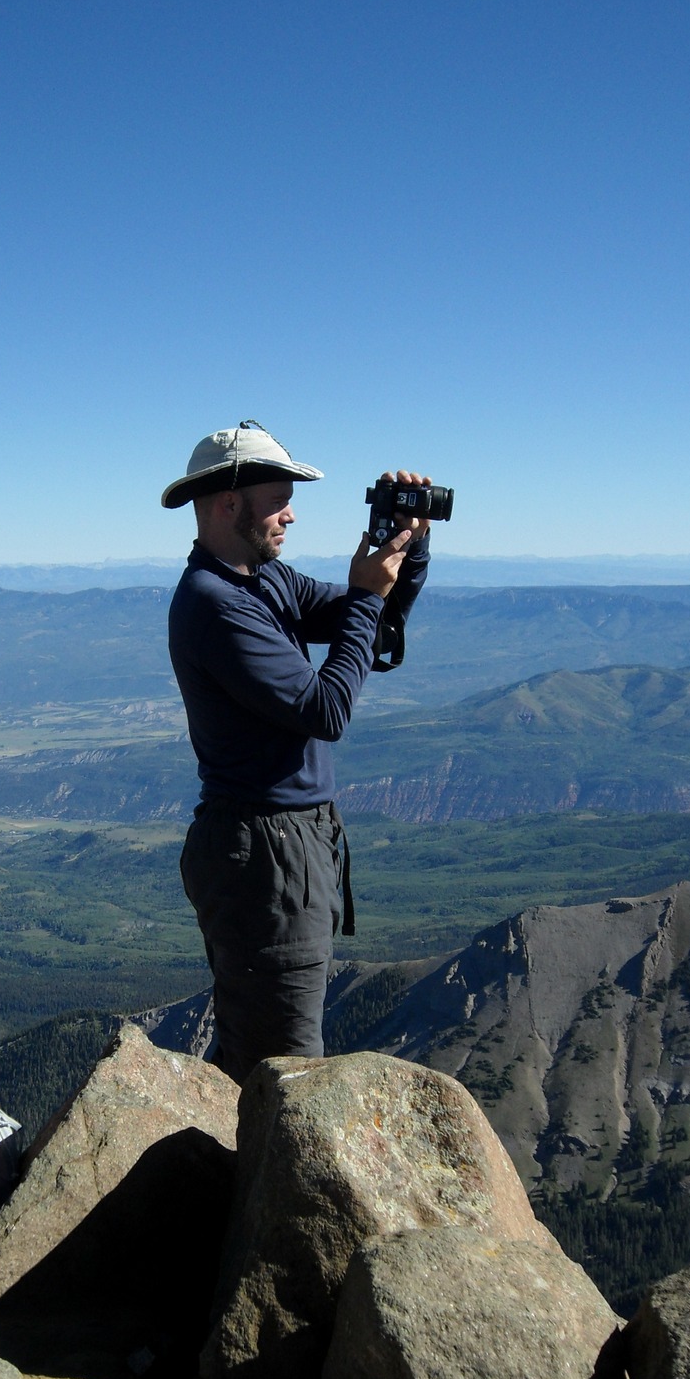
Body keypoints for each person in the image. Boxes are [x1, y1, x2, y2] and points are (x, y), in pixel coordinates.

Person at [164, 420, 431, 1084]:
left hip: (278, 845)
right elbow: (326, 709)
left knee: (260, 1043)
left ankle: (226, 1173)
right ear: (229, 505)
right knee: (281, 1064)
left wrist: (403, 549)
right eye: (279, 499)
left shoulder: (263, 580)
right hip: (264, 855)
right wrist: (370, 593)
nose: (291, 514)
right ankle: (249, 1182)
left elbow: (362, 620)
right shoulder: (216, 603)